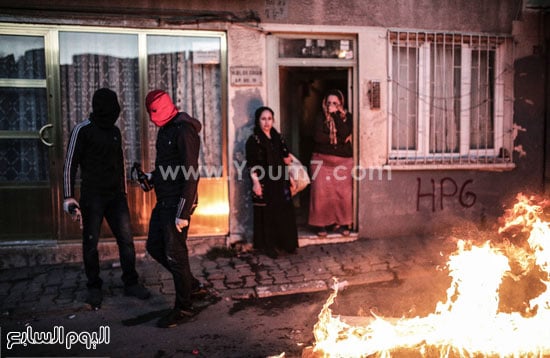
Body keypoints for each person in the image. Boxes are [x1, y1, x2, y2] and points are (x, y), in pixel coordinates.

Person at [63, 88, 150, 310]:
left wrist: (123, 192)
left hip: (115, 196)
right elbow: (70, 164)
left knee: (126, 240)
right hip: (92, 196)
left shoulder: (114, 131)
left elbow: (119, 162)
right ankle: (94, 286)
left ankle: (130, 282)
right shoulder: (82, 130)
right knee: (90, 243)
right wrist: (68, 197)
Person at [144, 89, 206, 328]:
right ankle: (193, 287)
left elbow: (191, 174)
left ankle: (184, 307)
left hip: (178, 201)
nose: (152, 116)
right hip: (165, 199)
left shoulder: (183, 130)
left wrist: (183, 211)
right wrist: (151, 176)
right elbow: (170, 167)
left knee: (176, 255)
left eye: (155, 111)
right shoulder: (167, 128)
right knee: (155, 246)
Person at [245, 106, 299, 259]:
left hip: (280, 180)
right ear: (258, 121)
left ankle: (287, 244)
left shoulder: (277, 137)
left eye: (269, 119)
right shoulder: (254, 140)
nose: (266, 122)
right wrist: (255, 183)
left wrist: (291, 178)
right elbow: (251, 164)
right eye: (263, 119)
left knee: (284, 211)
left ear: (273, 120)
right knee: (267, 214)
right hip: (264, 181)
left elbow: (286, 158)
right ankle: (270, 247)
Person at [308, 89, 353, 237]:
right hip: (321, 160)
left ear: (341, 104)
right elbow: (318, 137)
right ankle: (320, 225)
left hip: (343, 161)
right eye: (329, 103)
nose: (331, 106)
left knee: (343, 195)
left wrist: (336, 116)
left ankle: (343, 223)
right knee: (320, 193)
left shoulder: (347, 118)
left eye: (335, 103)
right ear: (324, 104)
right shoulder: (319, 117)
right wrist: (338, 140)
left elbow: (345, 132)